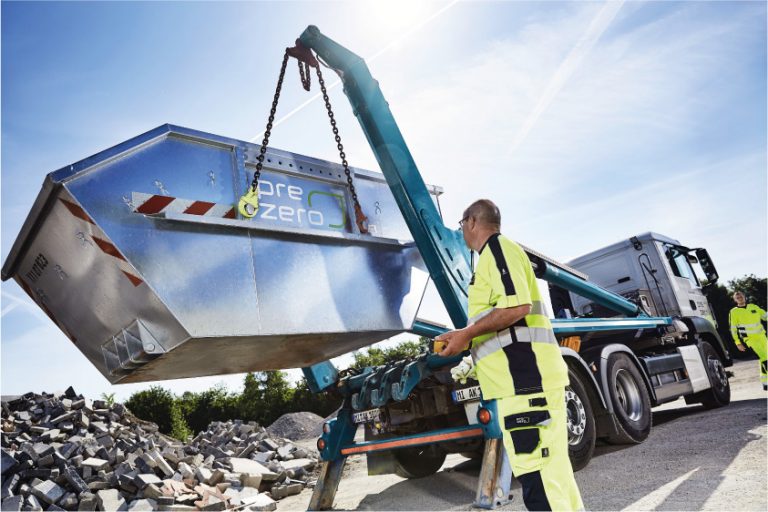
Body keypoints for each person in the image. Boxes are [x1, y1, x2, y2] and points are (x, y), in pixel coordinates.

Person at [436, 199, 583, 511]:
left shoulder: (498, 250)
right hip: (524, 384)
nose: (460, 231)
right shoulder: (494, 256)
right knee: (553, 476)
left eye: (461, 224)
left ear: (473, 221)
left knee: (539, 480)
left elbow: (517, 308)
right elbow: (502, 324)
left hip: (525, 384)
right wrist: (467, 345)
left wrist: (466, 334)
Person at [729, 291, 767, 390]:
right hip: (750, 339)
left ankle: (765, 381)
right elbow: (733, 329)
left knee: (764, 358)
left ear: (744, 297)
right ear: (735, 300)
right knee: (764, 357)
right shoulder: (734, 312)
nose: (739, 297)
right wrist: (737, 342)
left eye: (740, 295)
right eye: (737, 297)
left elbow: (765, 316)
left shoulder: (753, 307)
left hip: (762, 337)